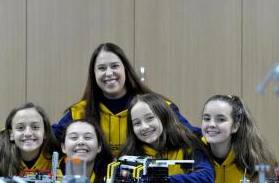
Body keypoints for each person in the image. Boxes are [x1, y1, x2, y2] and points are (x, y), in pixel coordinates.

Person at [52, 43, 201, 158]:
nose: (109, 73)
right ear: (94, 74)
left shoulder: (158, 106)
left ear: (126, 69)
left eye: (115, 66)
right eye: (102, 68)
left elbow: (191, 135)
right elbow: (49, 139)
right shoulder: (79, 112)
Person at [60, 119, 113, 183]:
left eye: (87, 137)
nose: (81, 142)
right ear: (63, 147)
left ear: (99, 146)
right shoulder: (50, 179)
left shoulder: (111, 181)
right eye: (74, 137)